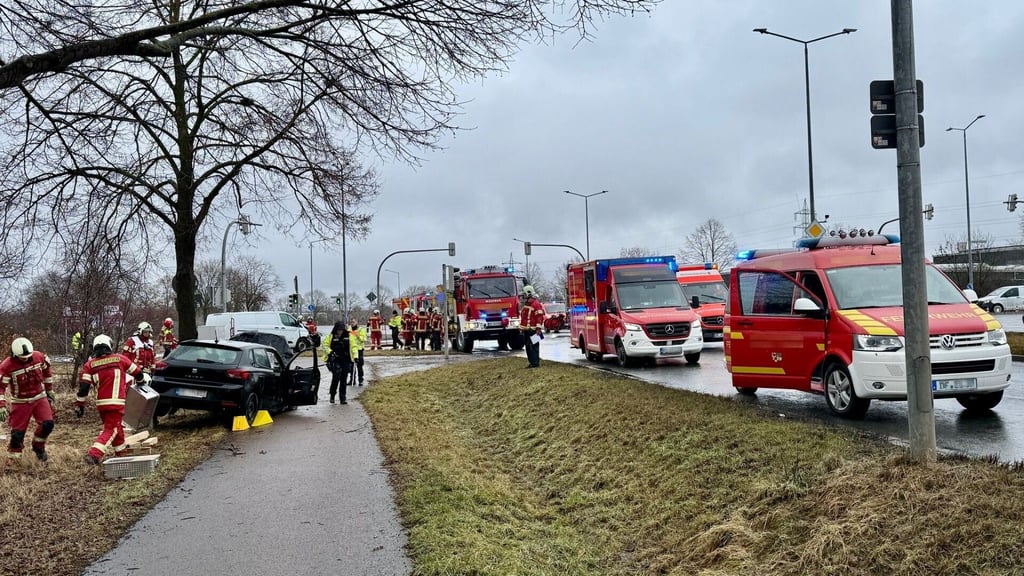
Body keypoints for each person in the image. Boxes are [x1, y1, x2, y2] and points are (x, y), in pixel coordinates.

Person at [76, 334, 147, 465]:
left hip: (101, 405)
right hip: (116, 403)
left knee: (116, 428)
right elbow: (138, 373)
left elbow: (83, 388)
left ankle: (121, 455)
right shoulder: (120, 359)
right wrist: (141, 382)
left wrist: (80, 405)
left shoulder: (89, 365)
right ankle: (94, 455)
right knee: (111, 429)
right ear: (109, 345)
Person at [0, 337, 56, 465]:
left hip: (39, 397)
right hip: (20, 401)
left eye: (27, 356)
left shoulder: (38, 357)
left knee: (48, 424)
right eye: (22, 357)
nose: (25, 359)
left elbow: (47, 371)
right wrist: (1, 405)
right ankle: (14, 459)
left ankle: (38, 447)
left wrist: (49, 390)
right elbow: (0, 387)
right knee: (17, 433)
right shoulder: (7, 366)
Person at [519, 285, 546, 368]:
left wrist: (538, 329)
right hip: (527, 330)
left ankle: (535, 363)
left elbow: (539, 317)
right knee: (528, 347)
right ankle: (532, 362)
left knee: (533, 347)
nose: (523, 296)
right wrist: (522, 328)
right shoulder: (527, 304)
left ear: (528, 294)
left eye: (524, 294)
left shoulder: (536, 304)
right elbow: (524, 318)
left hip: (534, 331)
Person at [326, 321, 352, 404]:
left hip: (345, 359)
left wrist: (355, 357)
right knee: (336, 377)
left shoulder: (349, 336)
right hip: (335, 359)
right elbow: (325, 345)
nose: (340, 332)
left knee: (344, 378)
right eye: (338, 330)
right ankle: (332, 395)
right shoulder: (331, 336)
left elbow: (353, 347)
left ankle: (343, 397)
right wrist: (330, 352)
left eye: (341, 330)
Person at [349, 318, 367, 385]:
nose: (352, 323)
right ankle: (352, 379)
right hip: (351, 350)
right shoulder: (349, 329)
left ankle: (360, 379)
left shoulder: (361, 329)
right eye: (351, 322)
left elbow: (364, 339)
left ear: (356, 322)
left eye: (353, 322)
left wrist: (357, 334)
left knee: (359, 365)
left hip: (359, 349)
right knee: (351, 365)